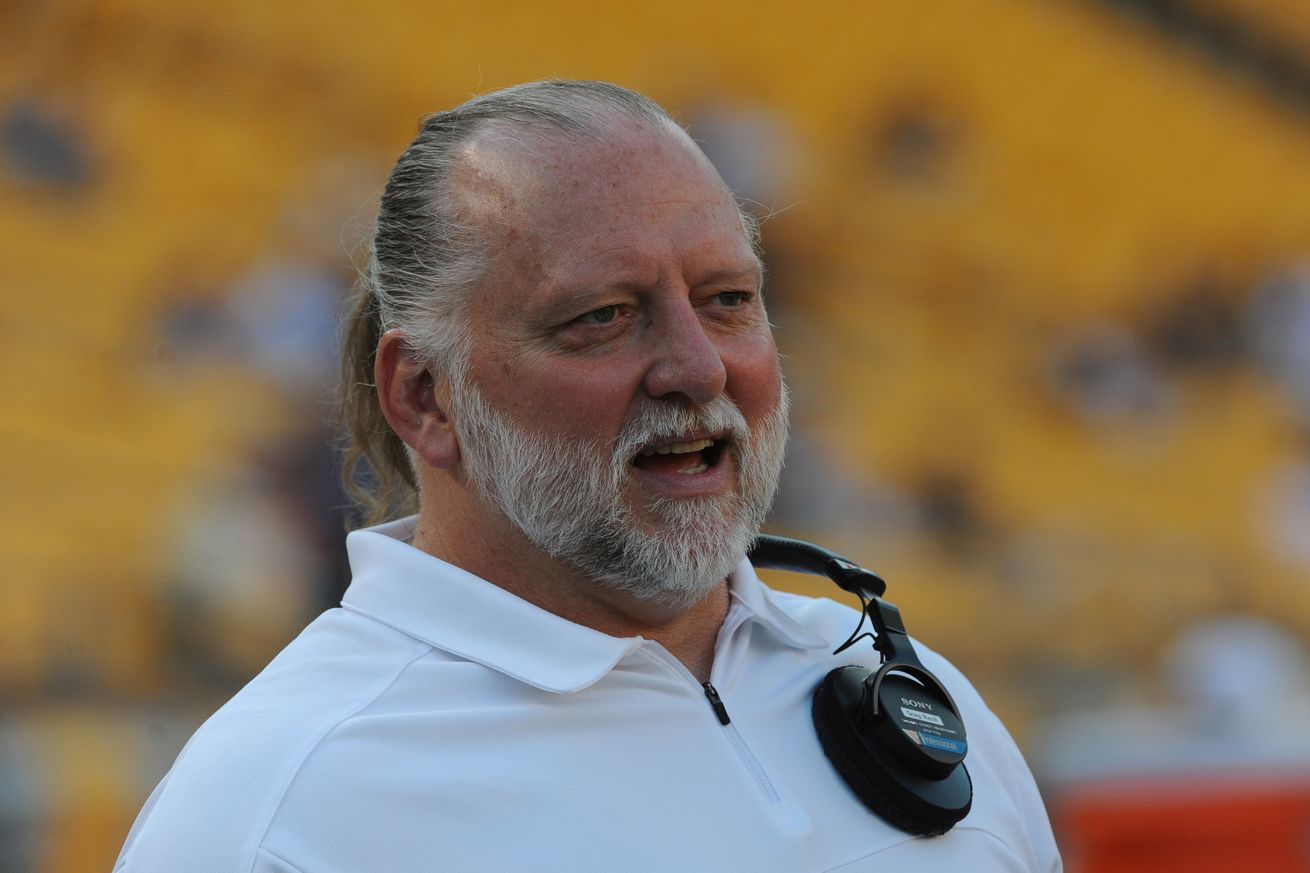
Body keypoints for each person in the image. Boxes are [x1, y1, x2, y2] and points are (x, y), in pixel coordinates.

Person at [114, 80, 1060, 872]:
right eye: (604, 317)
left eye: (728, 301)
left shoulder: (910, 685)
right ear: (425, 396)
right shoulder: (279, 807)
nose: (698, 366)